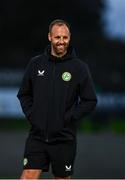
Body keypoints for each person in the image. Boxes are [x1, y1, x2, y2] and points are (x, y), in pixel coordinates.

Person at [17, 19, 97, 179]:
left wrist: (68, 118)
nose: (61, 42)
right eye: (57, 37)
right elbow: (24, 94)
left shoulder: (79, 68)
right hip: (37, 136)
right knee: (27, 176)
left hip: (64, 139)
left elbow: (90, 101)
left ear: (69, 38)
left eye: (65, 38)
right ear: (49, 37)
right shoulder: (35, 63)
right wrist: (33, 115)